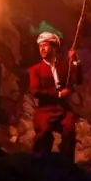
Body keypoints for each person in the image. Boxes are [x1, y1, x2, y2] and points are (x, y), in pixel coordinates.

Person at [27, 32, 81, 161]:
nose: (42, 49)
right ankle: (39, 164)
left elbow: (78, 80)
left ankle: (67, 164)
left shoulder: (64, 66)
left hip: (63, 108)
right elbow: (35, 91)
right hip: (45, 109)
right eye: (40, 46)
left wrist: (75, 62)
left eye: (45, 46)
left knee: (69, 130)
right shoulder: (35, 70)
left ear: (54, 48)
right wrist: (58, 94)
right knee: (43, 135)